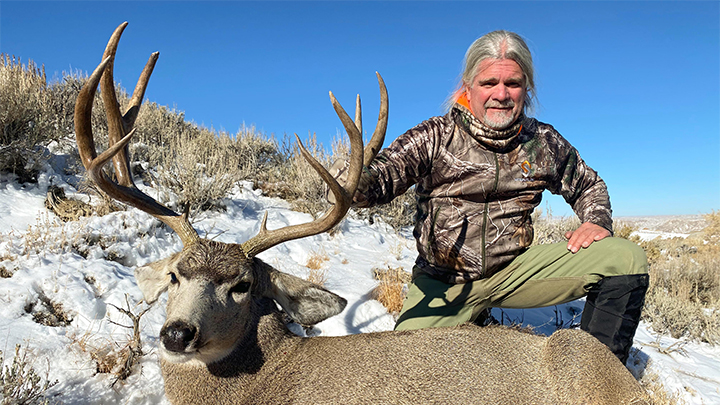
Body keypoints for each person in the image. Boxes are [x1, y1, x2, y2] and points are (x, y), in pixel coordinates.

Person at [331, 30, 648, 365]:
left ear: (527, 89)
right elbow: (382, 178)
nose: (501, 94)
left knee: (625, 259)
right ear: (468, 87)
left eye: (512, 83)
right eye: (489, 83)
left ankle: (595, 375)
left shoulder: (542, 141)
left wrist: (595, 221)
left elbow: (588, 185)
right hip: (444, 284)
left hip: (514, 274)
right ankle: (466, 318)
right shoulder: (435, 136)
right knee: (402, 369)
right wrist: (351, 181)